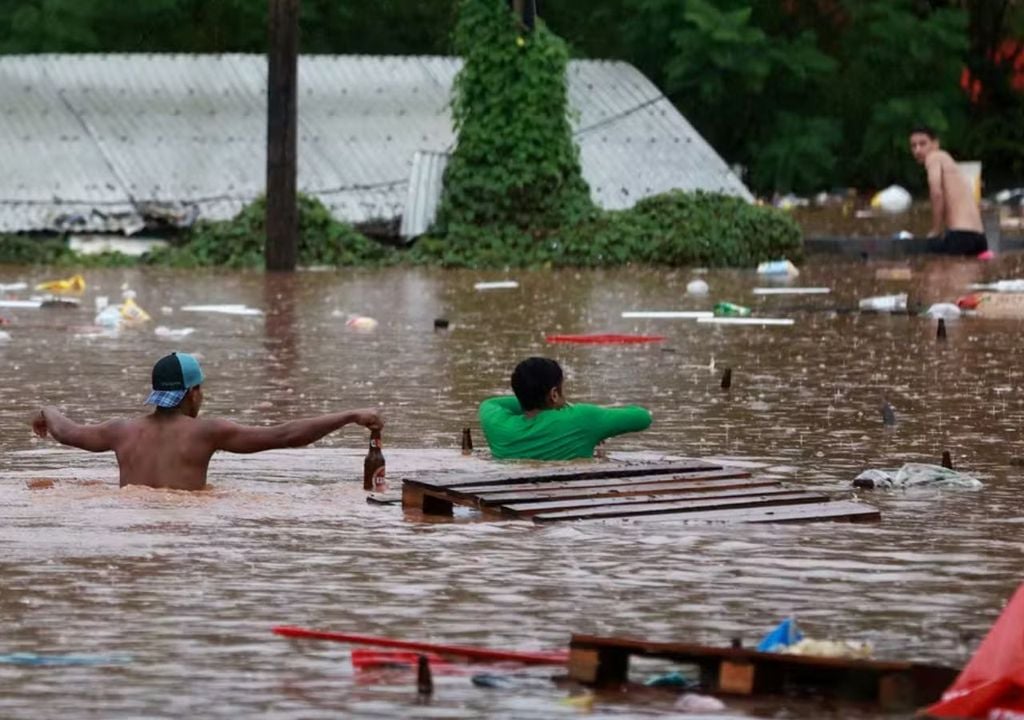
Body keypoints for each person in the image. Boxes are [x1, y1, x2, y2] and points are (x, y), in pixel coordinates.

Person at [30, 352, 383, 491]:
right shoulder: (207, 432)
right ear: (191, 393)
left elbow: (67, 432)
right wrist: (350, 415)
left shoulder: (121, 430)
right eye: (200, 390)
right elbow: (286, 436)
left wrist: (47, 410)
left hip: (131, 518)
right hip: (187, 526)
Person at [478, 357, 652, 460]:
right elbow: (643, 417)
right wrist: (569, 408)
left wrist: (527, 398)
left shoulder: (496, 424)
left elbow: (491, 403)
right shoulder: (582, 418)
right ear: (554, 394)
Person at [908, 125, 987, 255]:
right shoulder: (951, 165)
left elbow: (936, 193)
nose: (918, 150)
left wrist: (936, 230)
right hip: (979, 237)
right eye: (913, 146)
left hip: (961, 235)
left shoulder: (934, 157)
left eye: (922, 144)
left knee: (935, 271)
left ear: (935, 144)